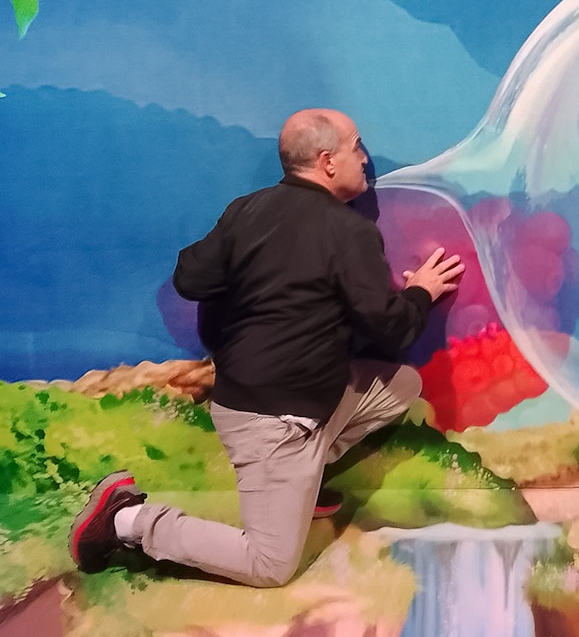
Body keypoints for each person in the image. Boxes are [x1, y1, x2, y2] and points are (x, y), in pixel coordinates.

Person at [68, 108, 465, 586]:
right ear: (327, 162)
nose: (365, 158)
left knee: (400, 384)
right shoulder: (350, 232)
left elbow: (190, 276)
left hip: (271, 401)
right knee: (270, 566)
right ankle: (124, 521)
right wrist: (421, 290)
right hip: (273, 422)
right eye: (356, 146)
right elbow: (392, 330)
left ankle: (302, 483)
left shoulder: (246, 210)